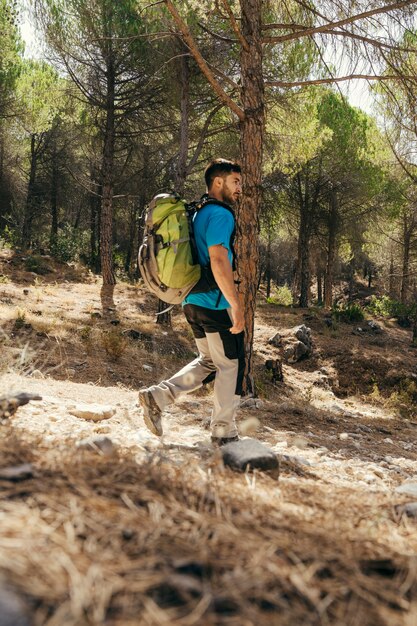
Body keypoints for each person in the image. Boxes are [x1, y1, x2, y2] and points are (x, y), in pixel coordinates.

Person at [139, 158, 245, 445]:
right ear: (218, 182)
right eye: (235, 182)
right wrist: (234, 303)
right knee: (231, 364)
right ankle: (224, 431)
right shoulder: (222, 215)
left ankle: (157, 397)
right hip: (213, 301)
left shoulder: (198, 213)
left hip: (191, 299)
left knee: (209, 361)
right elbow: (218, 258)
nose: (239, 189)